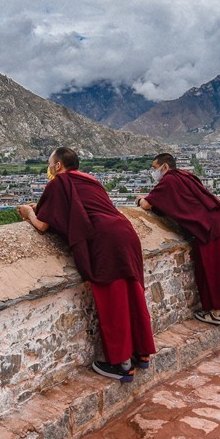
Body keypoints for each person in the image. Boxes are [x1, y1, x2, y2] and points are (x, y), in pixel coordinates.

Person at [17, 147, 157, 382]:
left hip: (105, 241)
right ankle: (141, 353)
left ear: (58, 166)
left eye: (51, 164)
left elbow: (42, 225)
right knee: (132, 293)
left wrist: (28, 212)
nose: (49, 169)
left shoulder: (58, 183)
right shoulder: (90, 180)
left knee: (113, 299)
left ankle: (122, 365)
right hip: (125, 233)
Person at [137, 153, 220, 326]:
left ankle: (217, 314)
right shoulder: (184, 175)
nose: (153, 172)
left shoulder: (169, 180)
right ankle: (217, 309)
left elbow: (147, 204)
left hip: (209, 227)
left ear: (165, 167)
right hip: (219, 219)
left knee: (213, 269)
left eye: (154, 168)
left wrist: (139, 200)